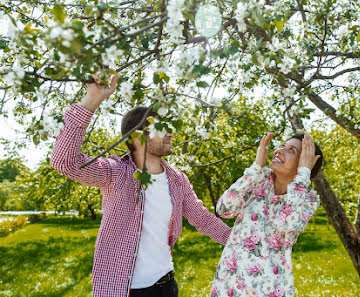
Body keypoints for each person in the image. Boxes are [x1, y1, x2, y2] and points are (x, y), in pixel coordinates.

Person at [50, 75, 232, 297]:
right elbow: (64, 162)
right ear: (138, 137)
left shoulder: (177, 180)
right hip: (123, 289)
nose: (170, 133)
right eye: (162, 128)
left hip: (167, 285)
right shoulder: (116, 172)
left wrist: (239, 240)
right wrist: (91, 101)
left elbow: (202, 218)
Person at [210, 132, 323, 297]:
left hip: (268, 289)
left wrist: (303, 175)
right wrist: (256, 166)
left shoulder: (307, 198)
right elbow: (224, 209)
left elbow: (285, 226)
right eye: (282, 145)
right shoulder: (258, 179)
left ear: (303, 164)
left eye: (291, 150)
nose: (279, 150)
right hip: (229, 285)